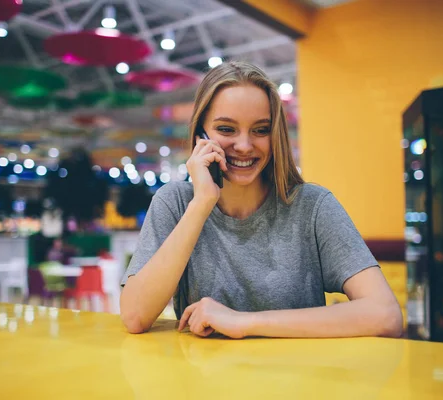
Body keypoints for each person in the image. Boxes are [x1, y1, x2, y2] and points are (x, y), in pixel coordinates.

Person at [120, 61, 403, 339]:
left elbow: (385, 315)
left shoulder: (313, 206)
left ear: (275, 135)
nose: (244, 146)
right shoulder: (176, 203)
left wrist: (243, 323)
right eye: (227, 129)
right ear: (200, 136)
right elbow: (135, 316)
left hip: (300, 381)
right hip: (204, 382)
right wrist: (202, 202)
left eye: (260, 130)